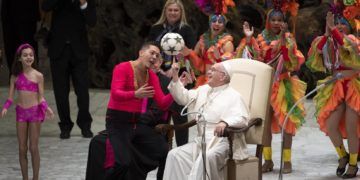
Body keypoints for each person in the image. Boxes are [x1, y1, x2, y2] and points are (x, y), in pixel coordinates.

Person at [235, 8, 306, 173]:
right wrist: (248, 38)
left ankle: (287, 160)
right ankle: (268, 160)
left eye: (279, 20)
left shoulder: (288, 38)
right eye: (273, 20)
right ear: (268, 21)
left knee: (286, 124)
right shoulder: (260, 38)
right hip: (264, 85)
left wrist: (283, 41)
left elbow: (292, 63)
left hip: (283, 85)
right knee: (263, 124)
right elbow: (254, 58)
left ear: (283, 22)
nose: (276, 23)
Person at [162, 60, 250, 180]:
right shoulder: (203, 90)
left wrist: (225, 122)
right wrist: (176, 77)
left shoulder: (234, 96)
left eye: (213, 70)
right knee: (175, 154)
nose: (208, 72)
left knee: (207, 157)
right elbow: (183, 98)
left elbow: (242, 118)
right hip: (200, 141)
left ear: (222, 76)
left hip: (223, 142)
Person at [104, 41, 174, 180]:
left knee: (163, 150)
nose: (154, 57)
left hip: (136, 123)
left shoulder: (151, 75)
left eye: (157, 55)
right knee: (123, 163)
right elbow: (115, 94)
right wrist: (135, 94)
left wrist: (177, 87)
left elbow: (162, 103)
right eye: (152, 53)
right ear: (141, 53)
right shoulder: (122, 67)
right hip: (118, 122)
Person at [306, 11, 360, 178]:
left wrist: (333, 30)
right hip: (336, 88)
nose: (339, 26)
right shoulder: (329, 42)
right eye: (336, 23)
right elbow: (317, 55)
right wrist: (327, 33)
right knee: (331, 125)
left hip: (353, 87)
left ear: (349, 26)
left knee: (352, 126)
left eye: (342, 22)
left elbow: (353, 58)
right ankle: (342, 156)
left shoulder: (353, 41)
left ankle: (353, 164)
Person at [41, 0, 96, 139]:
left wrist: (83, 3)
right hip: (58, 49)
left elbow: (92, 21)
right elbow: (45, 6)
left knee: (82, 91)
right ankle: (65, 126)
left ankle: (85, 125)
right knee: (60, 92)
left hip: (79, 50)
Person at [1, 43, 54, 180]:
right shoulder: (15, 77)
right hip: (21, 114)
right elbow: (10, 97)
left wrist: (46, 108)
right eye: (25, 55)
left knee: (33, 148)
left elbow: (40, 96)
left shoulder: (38, 76)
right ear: (19, 58)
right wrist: (6, 107)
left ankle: (35, 178)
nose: (29, 57)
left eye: (31, 55)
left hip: (35, 112)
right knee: (22, 148)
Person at [147, 0, 197, 147]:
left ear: (181, 12)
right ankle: (161, 149)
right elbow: (150, 51)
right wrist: (161, 70)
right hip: (159, 75)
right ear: (165, 11)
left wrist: (174, 69)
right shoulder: (156, 29)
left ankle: (182, 149)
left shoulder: (186, 30)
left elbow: (190, 53)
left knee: (180, 115)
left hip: (180, 77)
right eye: (170, 10)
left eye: (176, 10)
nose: (173, 13)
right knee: (159, 113)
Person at [183, 14, 234, 88]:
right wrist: (186, 53)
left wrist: (219, 59)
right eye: (214, 21)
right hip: (204, 79)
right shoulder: (203, 40)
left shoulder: (227, 43)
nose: (216, 23)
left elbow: (229, 66)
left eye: (220, 22)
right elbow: (194, 55)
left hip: (219, 82)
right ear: (210, 23)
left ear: (224, 25)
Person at [1, 0, 40, 75]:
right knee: (10, 46)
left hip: (27, 12)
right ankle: (14, 76)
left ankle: (30, 77)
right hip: (9, 12)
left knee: (27, 45)